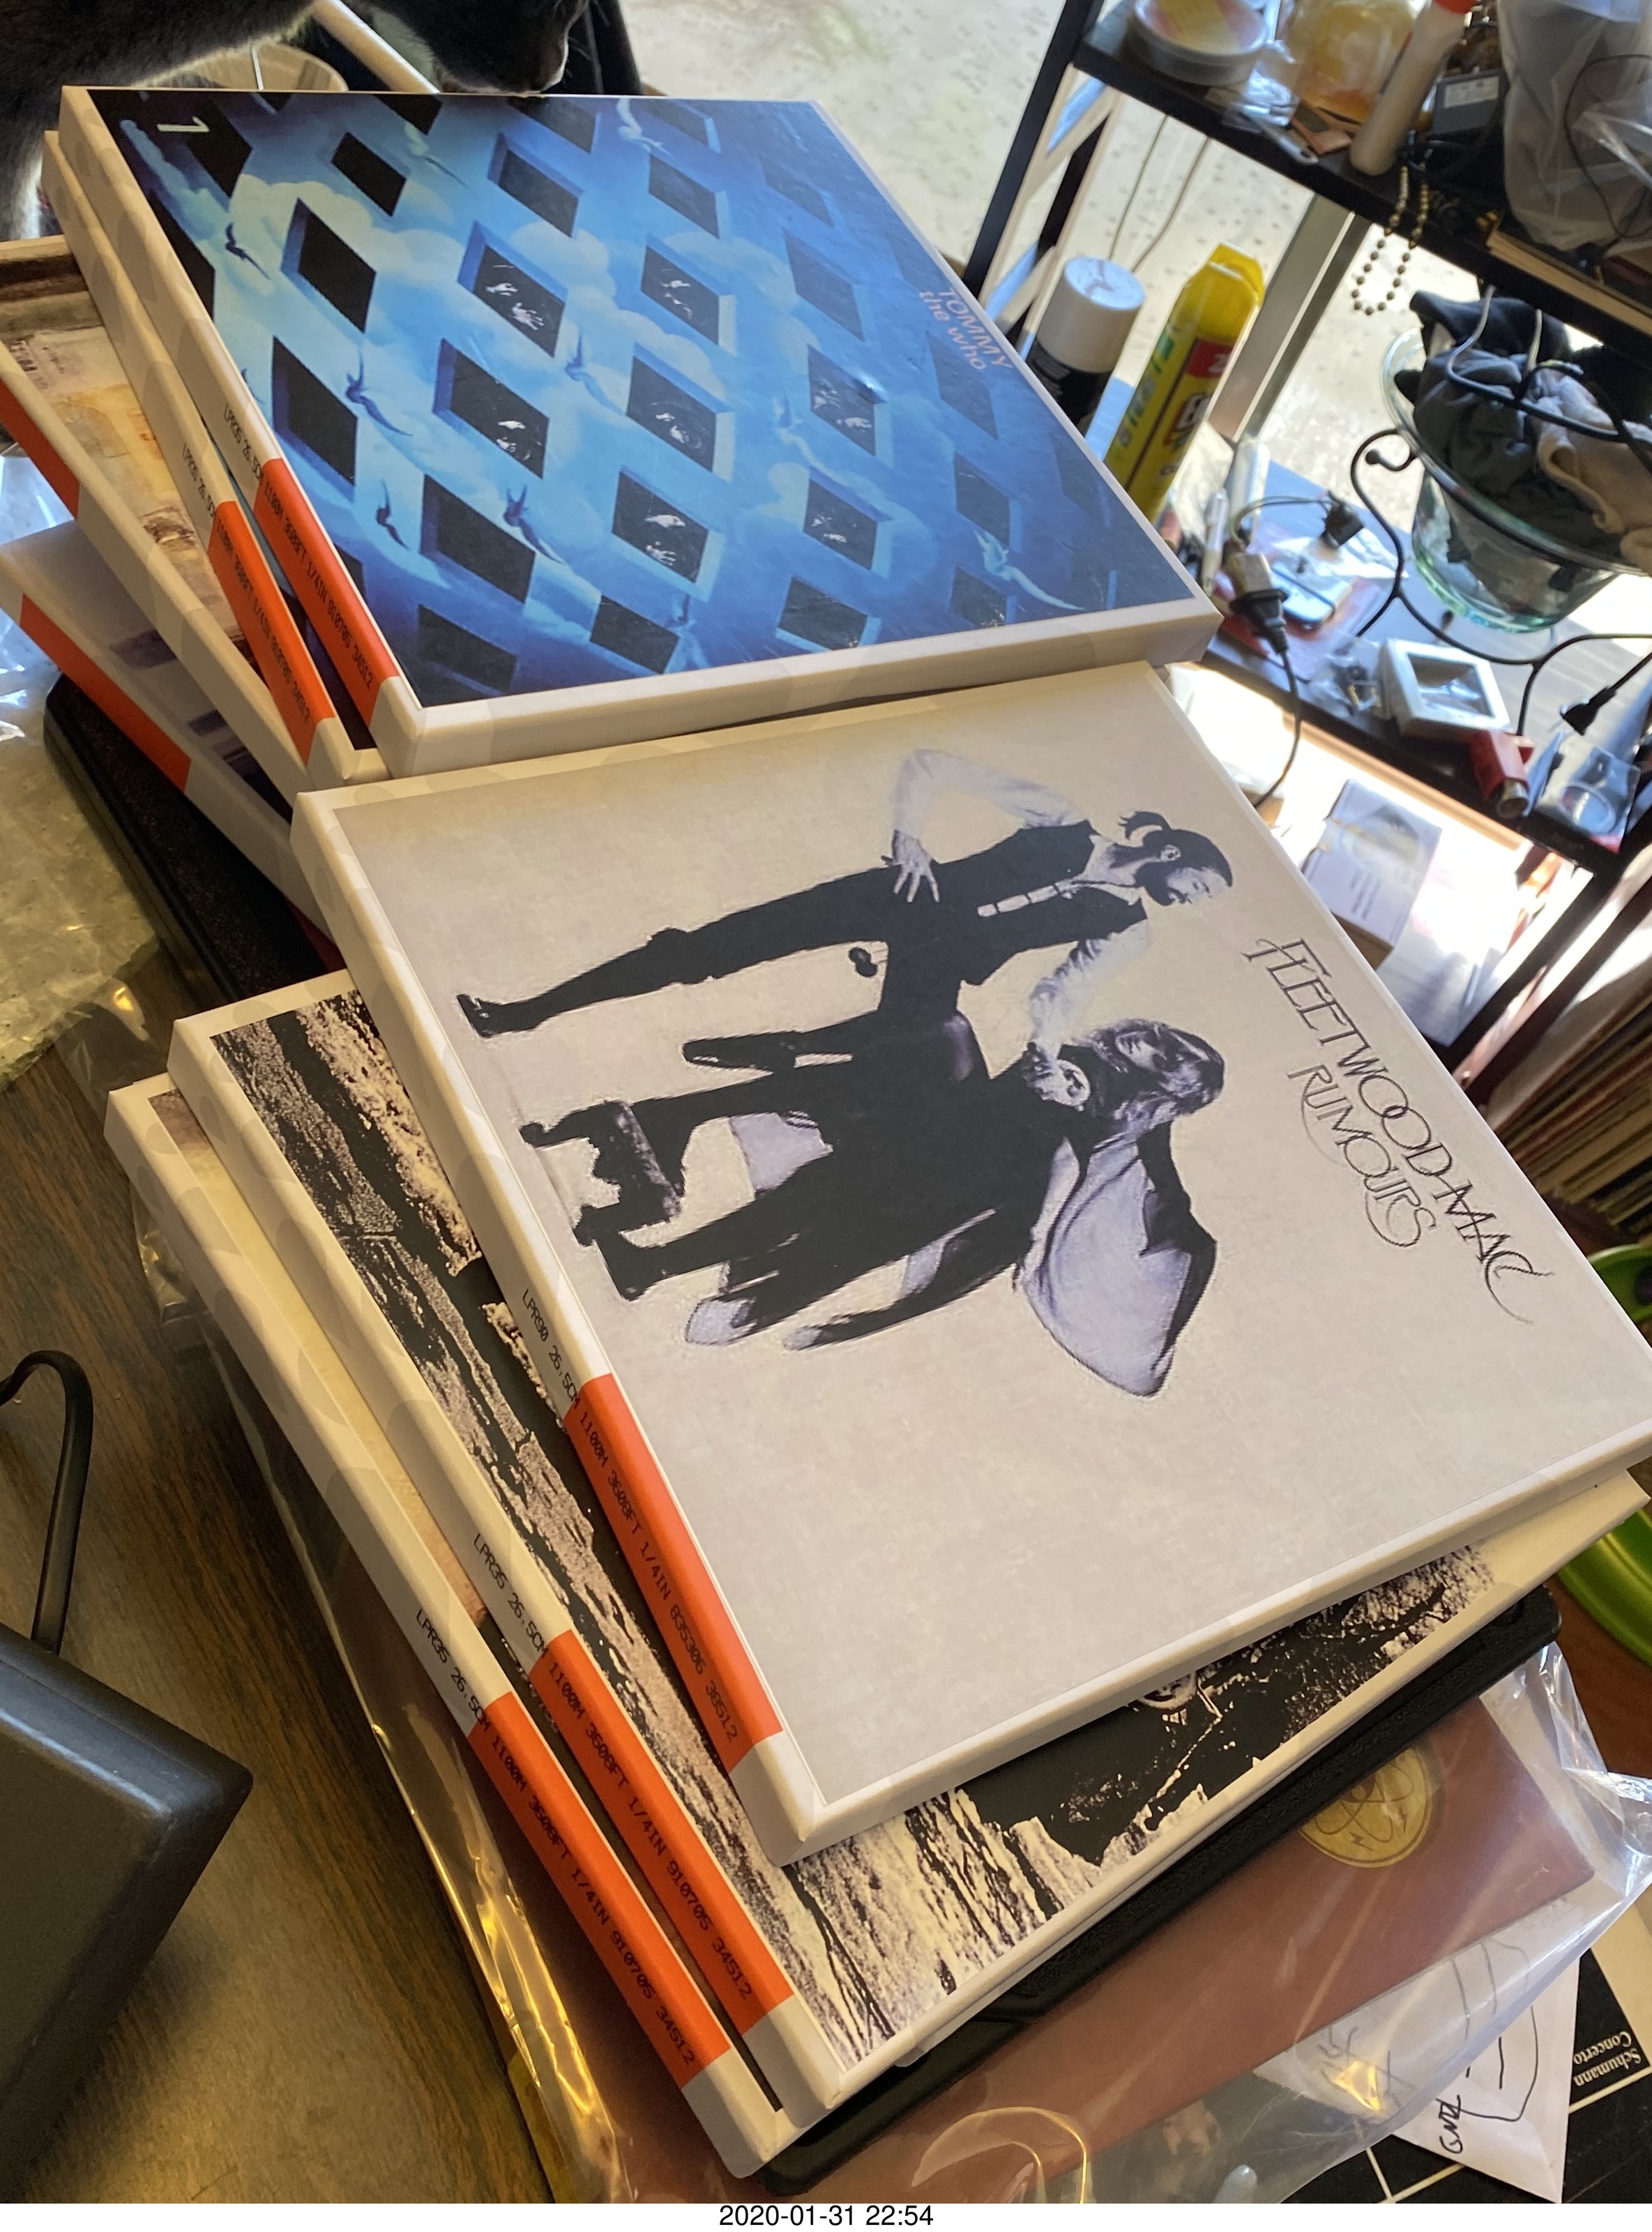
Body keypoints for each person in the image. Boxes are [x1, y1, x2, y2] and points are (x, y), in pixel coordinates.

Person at [573, 1018, 1223, 1392]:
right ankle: (650, 1268)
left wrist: (1036, 1237)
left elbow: (1061, 1162)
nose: (1150, 1038)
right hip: (924, 1146)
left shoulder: (1113, 1112)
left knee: (826, 1250)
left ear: (1167, 1081)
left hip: (955, 1186)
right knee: (796, 1210)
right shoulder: (1077, 1052)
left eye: (1165, 1051)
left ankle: (727, 1301)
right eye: (1159, 1035)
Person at [457, 750, 1232, 1060]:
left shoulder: (1128, 930)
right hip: (903, 895)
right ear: (1173, 854)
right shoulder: (1062, 819)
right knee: (707, 950)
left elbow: (1065, 992)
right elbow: (932, 763)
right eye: (1199, 887)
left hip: (945, 961)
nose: (1191, 903)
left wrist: (1046, 1048)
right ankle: (527, 1011)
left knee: (913, 1049)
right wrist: (909, 836)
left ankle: (783, 1047)